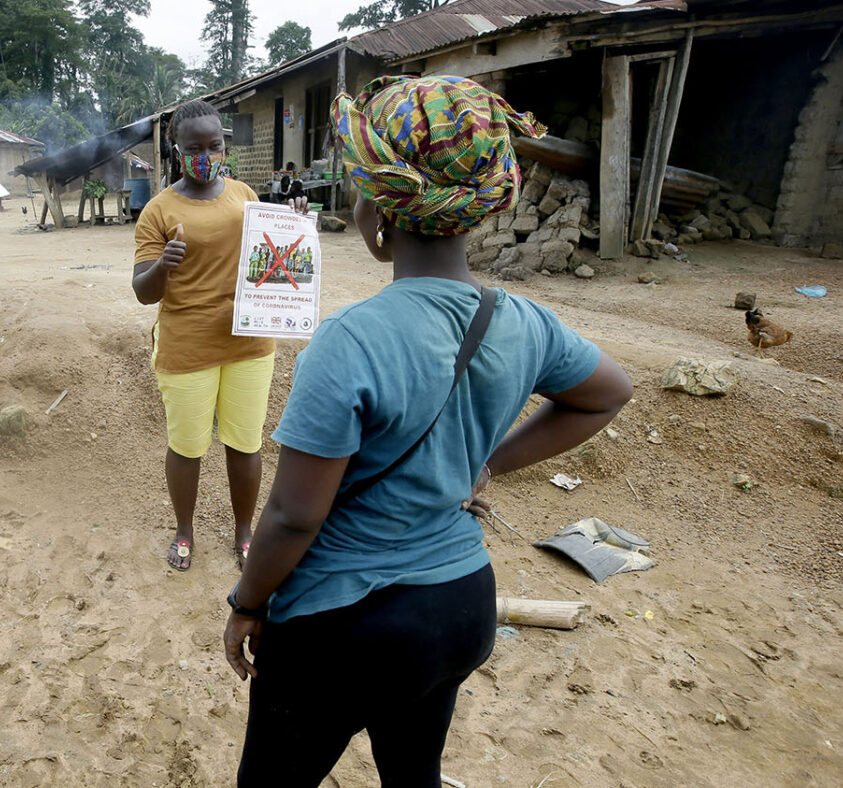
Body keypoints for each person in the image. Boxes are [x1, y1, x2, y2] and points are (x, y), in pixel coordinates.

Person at [223, 75, 633, 786]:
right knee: (414, 773)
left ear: (379, 205)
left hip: (343, 626)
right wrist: (492, 464)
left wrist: (247, 605)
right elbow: (606, 394)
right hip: (460, 607)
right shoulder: (525, 323)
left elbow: (292, 517)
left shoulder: (351, 339)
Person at [132, 100, 305, 572]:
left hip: (249, 345)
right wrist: (163, 266)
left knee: (245, 443)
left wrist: (294, 222)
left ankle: (245, 532)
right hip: (187, 346)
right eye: (194, 147)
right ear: (177, 150)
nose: (206, 155)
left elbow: (273, 258)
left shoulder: (245, 195)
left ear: (225, 146)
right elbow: (143, 292)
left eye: (215, 145)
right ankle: (185, 530)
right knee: (187, 447)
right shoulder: (158, 210)